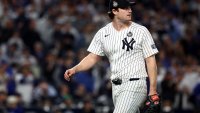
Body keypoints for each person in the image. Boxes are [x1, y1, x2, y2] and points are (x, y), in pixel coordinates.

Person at [64, 0, 159, 112]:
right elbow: (92, 57)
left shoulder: (141, 31)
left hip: (135, 84)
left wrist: (153, 89)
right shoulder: (103, 33)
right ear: (114, 11)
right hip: (115, 87)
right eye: (125, 8)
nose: (130, 10)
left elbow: (150, 60)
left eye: (130, 7)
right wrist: (75, 69)